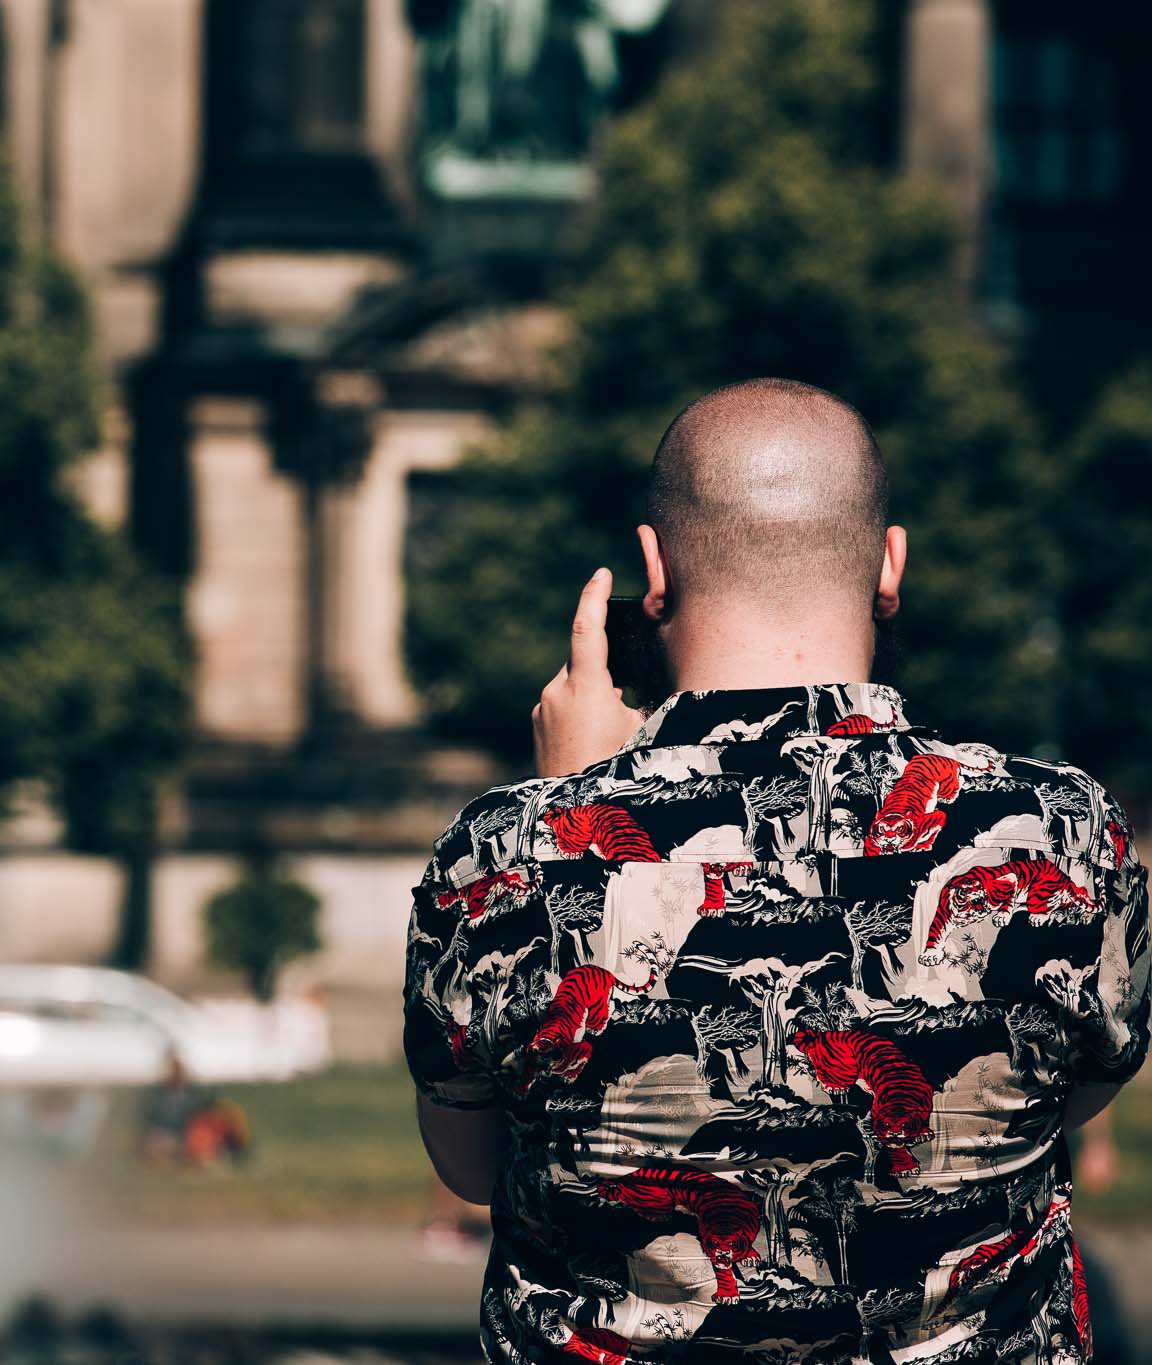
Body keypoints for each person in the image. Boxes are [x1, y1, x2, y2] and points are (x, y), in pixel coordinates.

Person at [403, 379, 1147, 1364]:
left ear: (651, 569)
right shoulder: (1060, 833)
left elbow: (471, 1166)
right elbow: (1062, 1103)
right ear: (890, 566)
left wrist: (575, 804)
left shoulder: (495, 856)